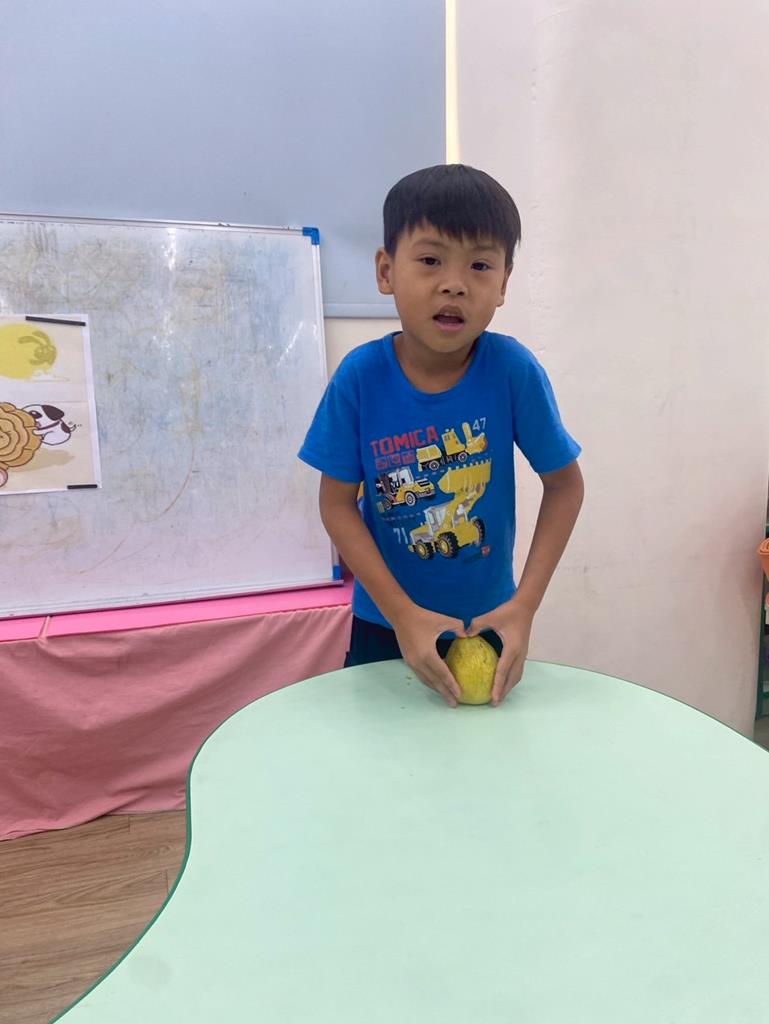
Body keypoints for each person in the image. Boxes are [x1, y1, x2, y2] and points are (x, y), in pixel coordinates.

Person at [299, 164, 584, 707]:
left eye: (480, 265)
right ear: (386, 271)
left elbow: (566, 486)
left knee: (484, 748)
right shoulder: (360, 378)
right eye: (431, 260)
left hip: (487, 624)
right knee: (379, 746)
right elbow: (336, 505)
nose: (455, 283)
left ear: (503, 285)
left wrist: (524, 606)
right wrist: (402, 615)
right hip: (385, 624)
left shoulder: (512, 371)